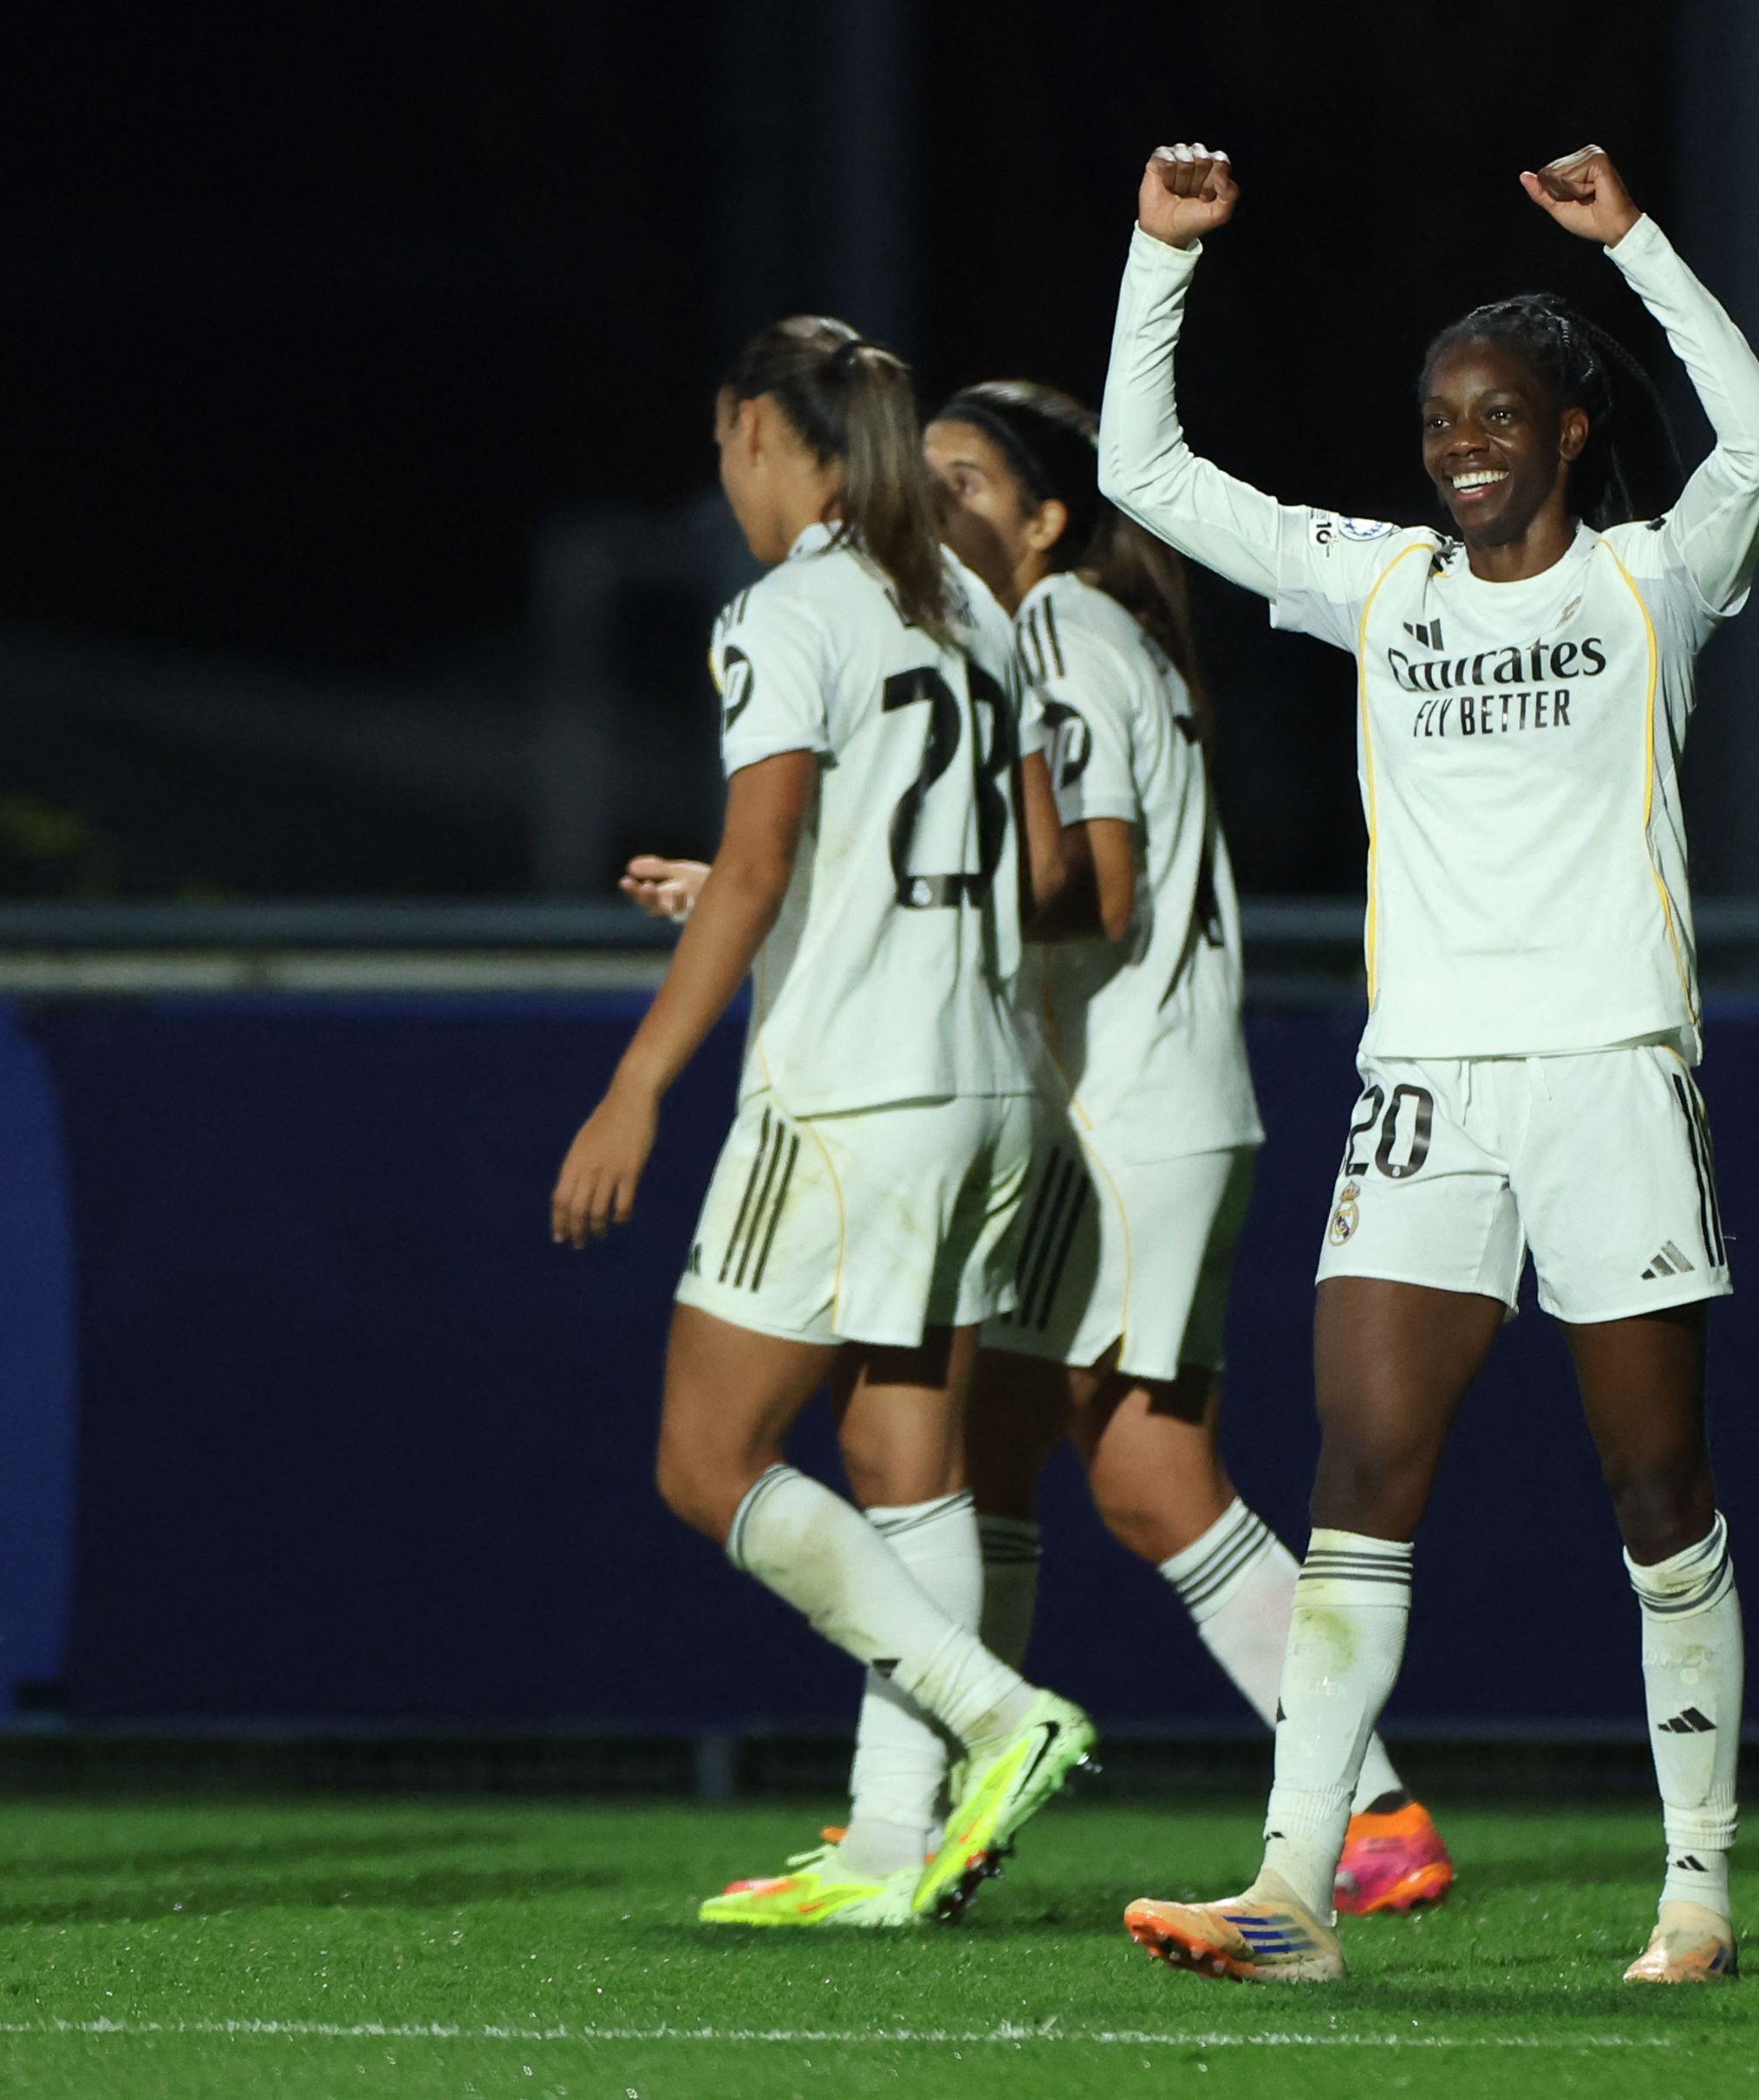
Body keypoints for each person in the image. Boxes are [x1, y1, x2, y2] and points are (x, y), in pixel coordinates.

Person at [1100, 142, 1759, 1986]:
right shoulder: (1378, 585)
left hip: (1608, 1075)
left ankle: (1696, 1891)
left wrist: (1636, 240)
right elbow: (1138, 475)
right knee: (1358, 1467)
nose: (1458, 441)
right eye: (1435, 417)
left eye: (1495, 414)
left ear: (1566, 431)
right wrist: (1160, 260)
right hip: (1424, 1087)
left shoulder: (1654, 581)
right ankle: (1292, 1897)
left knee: (1655, 1491)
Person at [622, 381, 1455, 1921]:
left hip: (1117, 1107)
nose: (933, 501)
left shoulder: (1057, 630)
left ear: (1048, 514)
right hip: (1132, 1105)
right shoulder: (1057, 630)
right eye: (919, 472)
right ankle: (928, 1818)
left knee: (1130, 1482)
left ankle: (1350, 1802)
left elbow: (1096, 888)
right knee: (974, 1468)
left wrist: (832, 900)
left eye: (967, 478)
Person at [553, 315, 1093, 1931]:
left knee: (705, 1456)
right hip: (985, 1079)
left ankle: (1000, 1720)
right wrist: (746, 896)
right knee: (898, 1455)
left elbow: (776, 848)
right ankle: (883, 1844)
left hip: (853, 1093)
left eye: (723, 447)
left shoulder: (785, 610)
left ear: (750, 432)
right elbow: (982, 865)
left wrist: (637, 1082)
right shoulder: (972, 610)